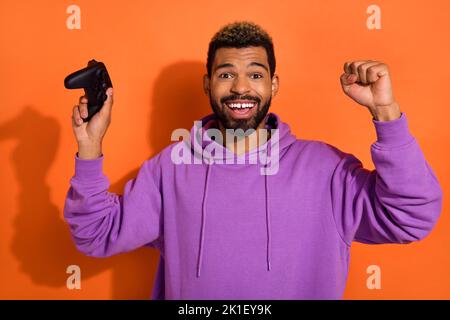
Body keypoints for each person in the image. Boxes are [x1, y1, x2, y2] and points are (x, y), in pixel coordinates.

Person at [64, 21, 443, 299]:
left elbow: (411, 217)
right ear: (207, 83)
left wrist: (386, 112)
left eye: (255, 74)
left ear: (273, 84)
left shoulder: (326, 169)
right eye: (226, 73)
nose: (241, 87)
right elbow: (97, 235)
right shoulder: (171, 167)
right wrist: (90, 146)